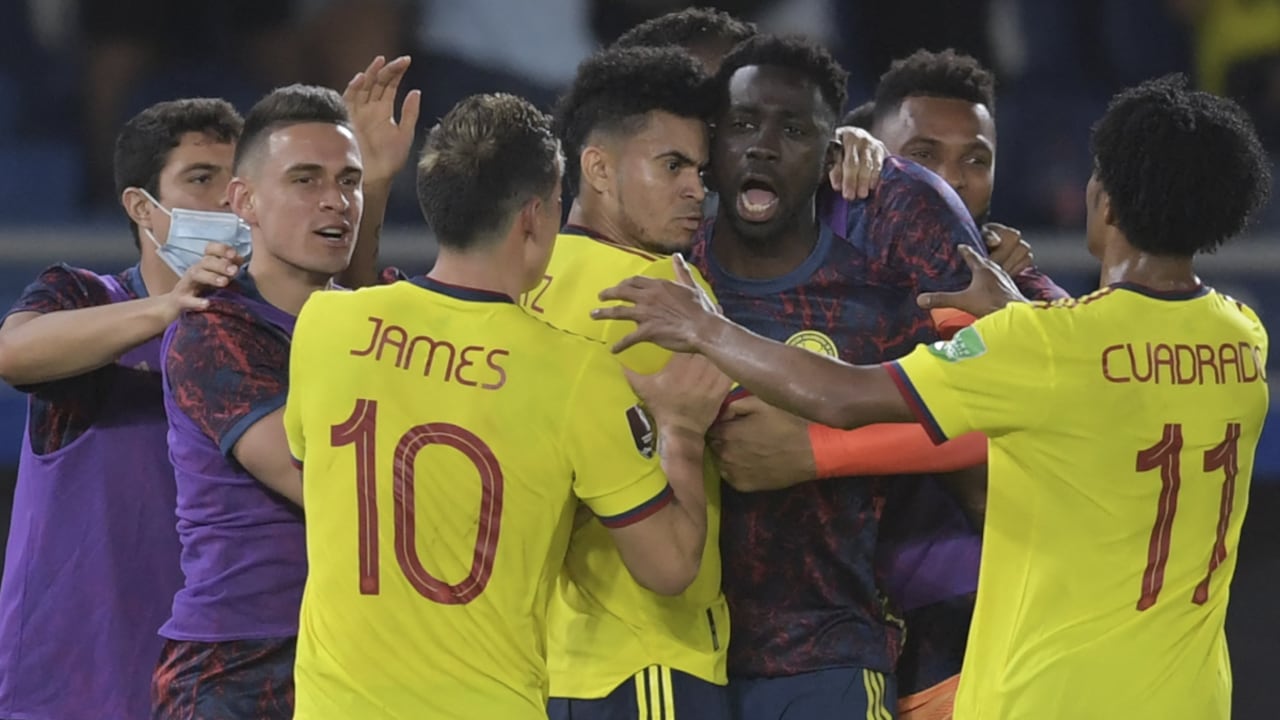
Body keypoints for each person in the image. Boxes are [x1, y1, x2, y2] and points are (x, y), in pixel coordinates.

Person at [595, 74, 1272, 720]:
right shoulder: (1243, 340)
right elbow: (1115, 381)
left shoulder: (1043, 350)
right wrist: (1014, 309)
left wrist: (703, 326)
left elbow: (843, 395)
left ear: (1107, 202)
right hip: (1190, 700)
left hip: (1049, 696)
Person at [283, 92, 719, 719]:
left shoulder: (326, 324)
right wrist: (682, 430)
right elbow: (672, 565)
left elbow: (315, 466)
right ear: (535, 217)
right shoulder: (573, 373)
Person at [682, 33, 1002, 719]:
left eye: (794, 131)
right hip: (673, 654)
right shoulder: (663, 276)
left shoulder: (884, 303)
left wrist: (815, 451)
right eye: (741, 126)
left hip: (832, 657)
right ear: (710, 145)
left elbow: (1003, 417)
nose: (763, 146)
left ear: (833, 157)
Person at [0, 98, 245, 720]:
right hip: (72, 688)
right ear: (142, 206)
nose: (226, 200)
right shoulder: (83, 295)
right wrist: (166, 309)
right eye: (200, 178)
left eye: (237, 180)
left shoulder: (261, 335)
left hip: (212, 688)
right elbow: (15, 352)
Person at [150, 83, 367, 719]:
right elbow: (320, 481)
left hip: (358, 653)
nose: (336, 200)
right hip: (237, 665)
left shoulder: (370, 322)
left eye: (350, 181)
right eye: (305, 179)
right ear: (244, 201)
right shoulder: (214, 329)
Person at [533, 45, 733, 719]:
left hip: (541, 663)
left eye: (700, 170)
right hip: (647, 655)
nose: (695, 189)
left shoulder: (520, 280)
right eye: (671, 164)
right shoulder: (661, 294)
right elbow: (760, 449)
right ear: (597, 167)